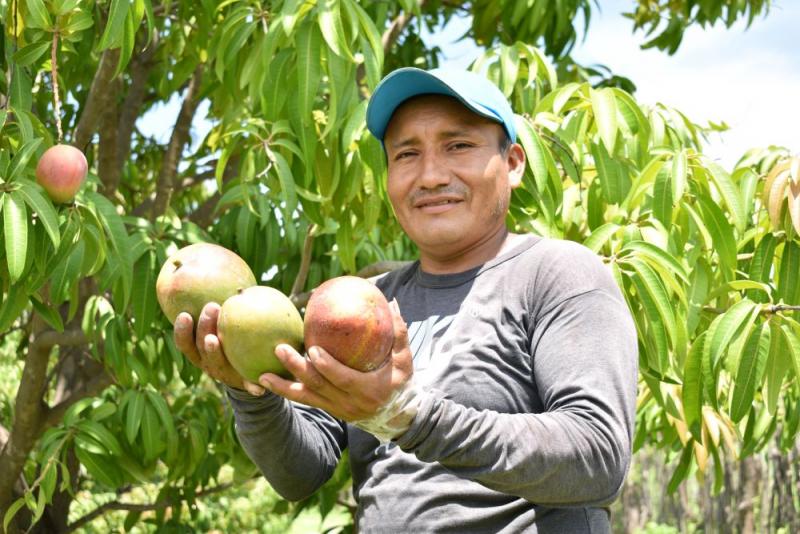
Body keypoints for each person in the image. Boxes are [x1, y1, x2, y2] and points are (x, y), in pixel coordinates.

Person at [174, 67, 639, 533]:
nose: (431, 176)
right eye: (407, 154)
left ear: (513, 163)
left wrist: (410, 416)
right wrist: (251, 390)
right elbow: (300, 473)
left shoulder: (557, 273)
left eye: (458, 146)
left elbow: (597, 457)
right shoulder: (366, 301)